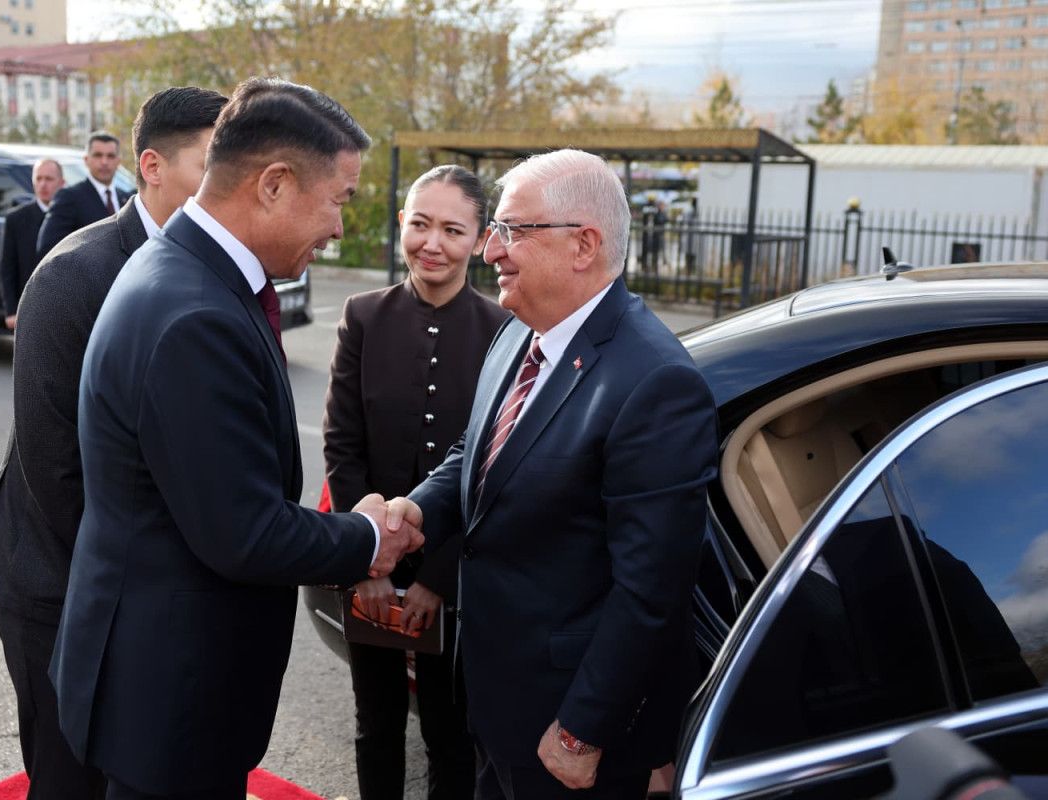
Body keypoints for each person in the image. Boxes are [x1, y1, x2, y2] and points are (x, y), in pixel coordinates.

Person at [49, 77, 424, 800]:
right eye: (339, 199)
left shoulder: (184, 269)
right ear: (274, 184)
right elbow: (244, 534)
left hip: (157, 674)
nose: (339, 227)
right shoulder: (196, 313)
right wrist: (367, 538)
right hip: (169, 696)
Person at [384, 149, 719, 799]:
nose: (490, 251)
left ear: (583, 245)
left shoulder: (655, 381)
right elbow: (478, 450)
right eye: (494, 230)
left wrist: (582, 732)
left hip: (565, 732)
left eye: (512, 230)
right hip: (492, 699)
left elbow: (652, 590)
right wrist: (417, 511)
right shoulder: (520, 329)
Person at [0, 86, 230, 800]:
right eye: (212, 162)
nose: (229, 181)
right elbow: (56, 472)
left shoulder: (209, 268)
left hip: (140, 588)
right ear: (153, 166)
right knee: (69, 777)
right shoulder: (75, 274)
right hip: (58, 584)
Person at [323, 165, 508, 800]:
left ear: (480, 240)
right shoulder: (363, 316)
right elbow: (342, 446)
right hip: (368, 564)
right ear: (402, 223)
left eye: (453, 230)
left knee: (451, 734)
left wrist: (439, 577)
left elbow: (491, 466)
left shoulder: (504, 332)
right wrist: (364, 560)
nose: (433, 244)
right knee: (375, 725)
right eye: (421, 224)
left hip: (457, 575)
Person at [36, 131, 132, 258]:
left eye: (110, 156)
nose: (104, 162)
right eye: (98, 155)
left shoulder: (127, 198)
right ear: (86, 160)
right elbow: (48, 248)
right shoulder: (69, 197)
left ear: (118, 161)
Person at [0, 158, 65, 329]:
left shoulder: (71, 217)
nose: (43, 184)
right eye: (39, 178)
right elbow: (7, 268)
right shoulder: (16, 219)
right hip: (28, 306)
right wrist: (11, 310)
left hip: (64, 307)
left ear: (61, 183)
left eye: (49, 179)